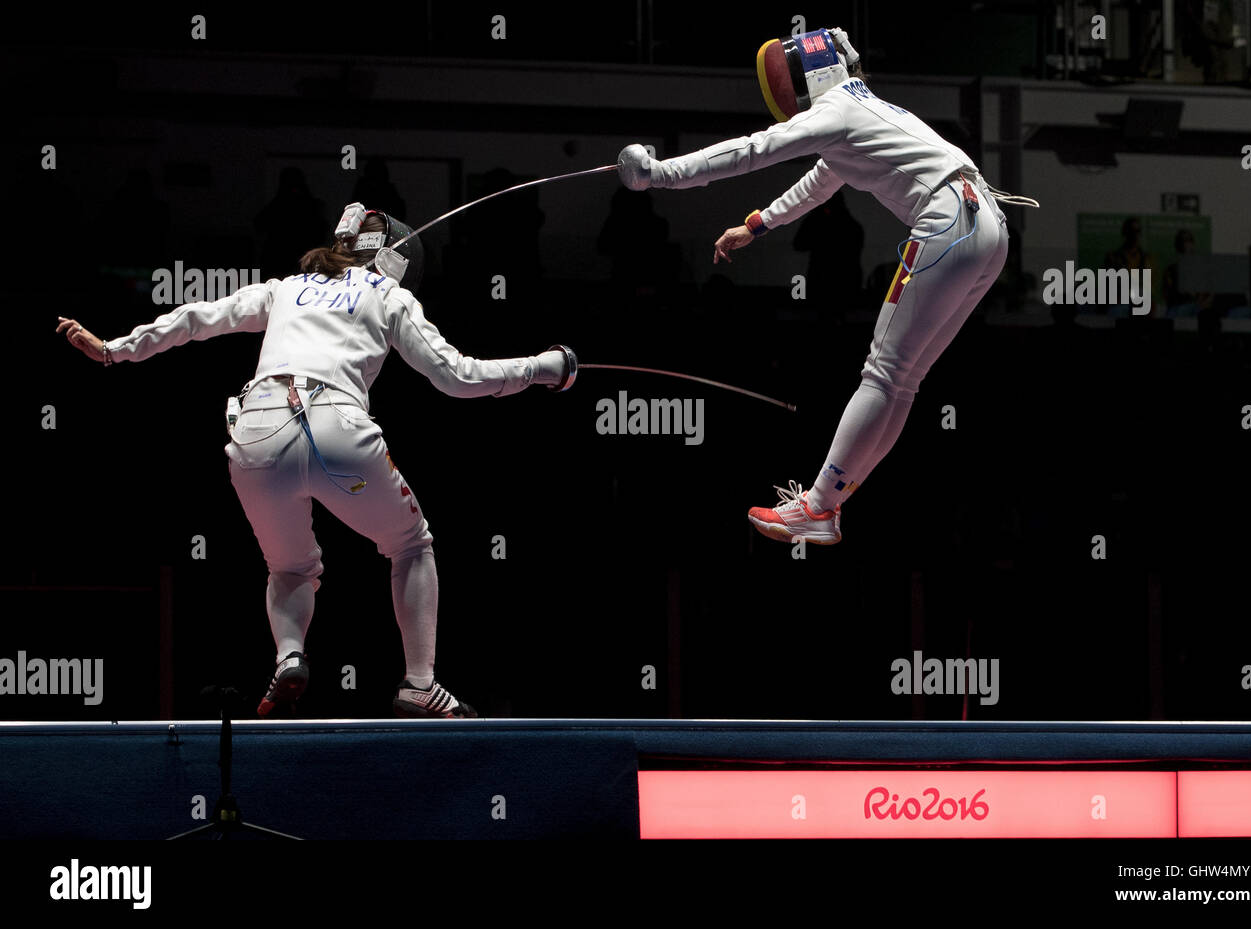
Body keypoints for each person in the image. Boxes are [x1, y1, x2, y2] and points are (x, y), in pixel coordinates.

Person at [56, 204, 576, 717]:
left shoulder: (284, 288)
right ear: (394, 262)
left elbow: (199, 317)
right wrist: (543, 367)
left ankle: (289, 657)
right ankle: (419, 684)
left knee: (289, 566)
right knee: (411, 545)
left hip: (256, 432)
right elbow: (456, 376)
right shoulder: (387, 295)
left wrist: (113, 349)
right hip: (337, 429)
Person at [618, 26, 1027, 545]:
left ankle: (817, 507)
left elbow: (750, 152)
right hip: (988, 226)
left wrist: (659, 174)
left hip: (948, 224)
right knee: (901, 379)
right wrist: (758, 223)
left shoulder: (835, 111)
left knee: (885, 374)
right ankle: (827, 505)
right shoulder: (862, 107)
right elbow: (824, 178)